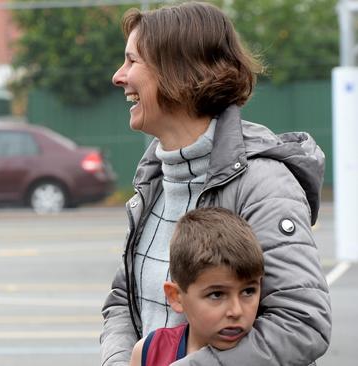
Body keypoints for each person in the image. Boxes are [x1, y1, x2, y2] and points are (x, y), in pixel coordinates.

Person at [101, 2, 330, 365]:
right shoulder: (156, 179)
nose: (118, 76)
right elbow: (122, 300)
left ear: (178, 72)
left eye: (132, 61)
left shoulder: (262, 183)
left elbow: (301, 323)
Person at [128, 207, 264, 366]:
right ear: (176, 297)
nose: (236, 311)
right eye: (217, 295)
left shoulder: (270, 355)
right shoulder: (149, 351)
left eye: (248, 291)